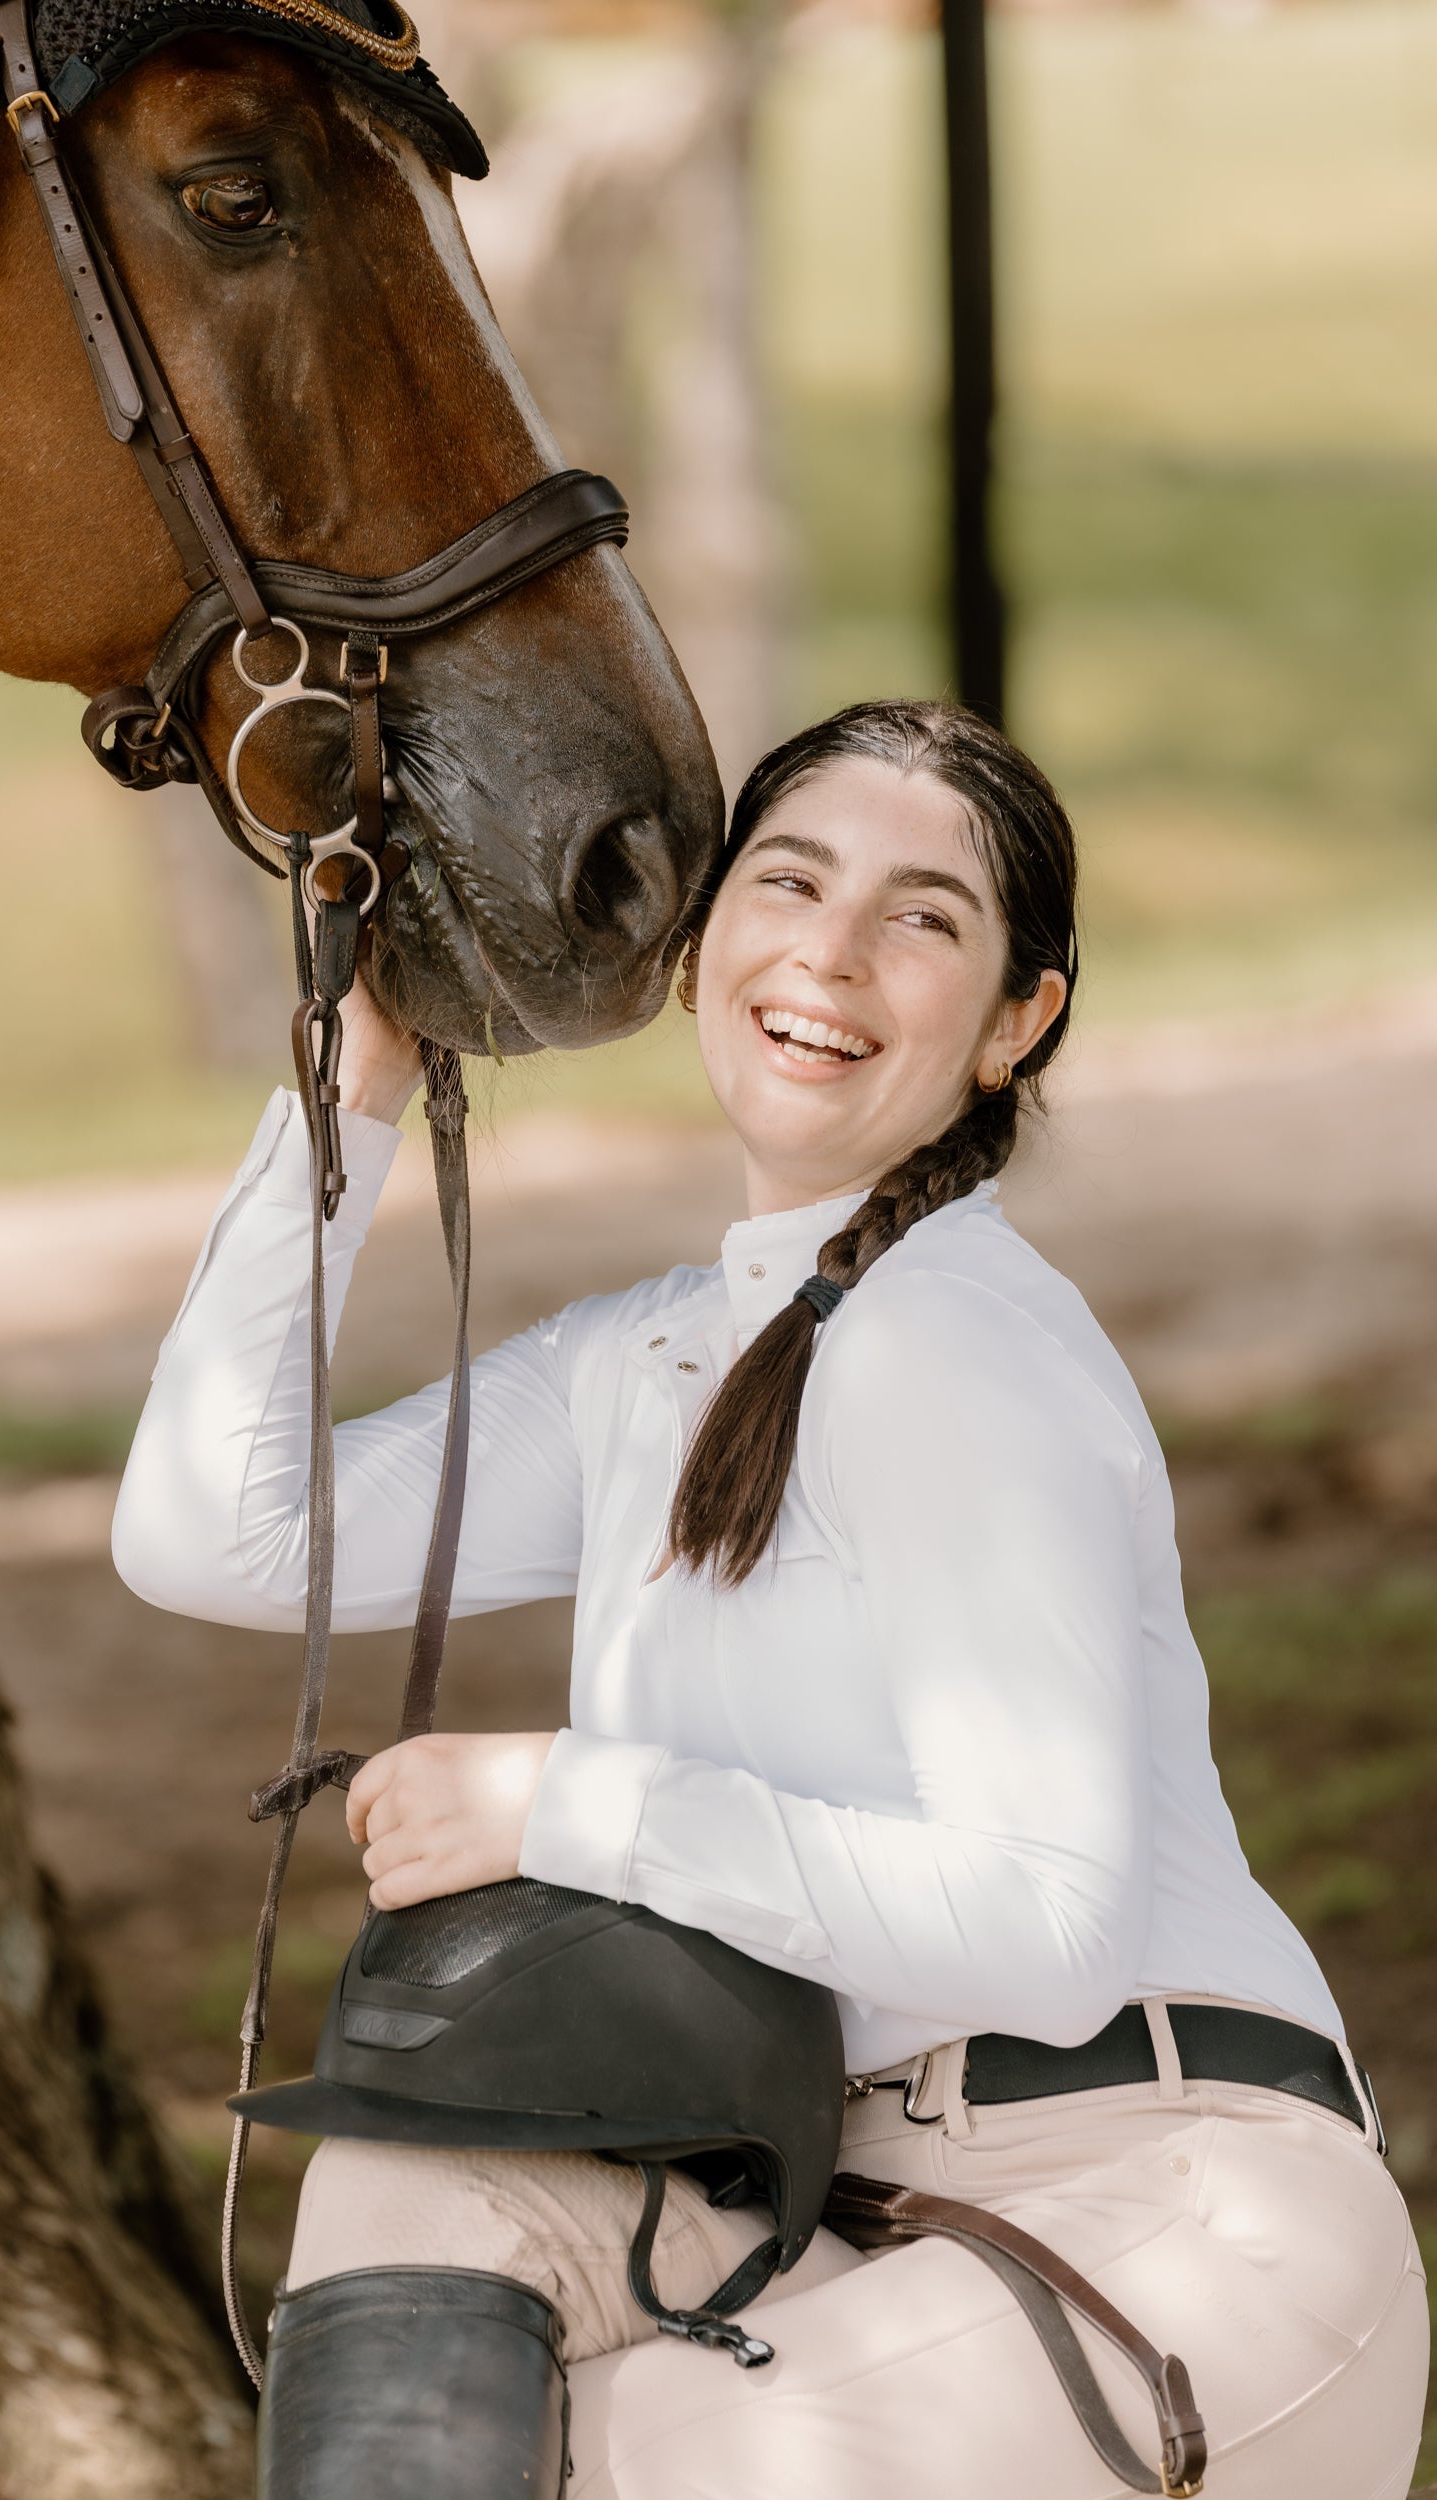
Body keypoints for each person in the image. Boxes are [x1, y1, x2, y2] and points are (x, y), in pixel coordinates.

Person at [113, 702, 1428, 2500]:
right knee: (410, 2181)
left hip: (1165, 2210)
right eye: (790, 880)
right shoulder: (659, 1355)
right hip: (847, 2201)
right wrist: (345, 1098)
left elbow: (1043, 1924)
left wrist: (561, 1803)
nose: (832, 948)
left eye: (925, 917)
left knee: (594, 2472)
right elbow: (216, 1528)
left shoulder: (959, 1340)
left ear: (1016, 1024)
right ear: (703, 939)